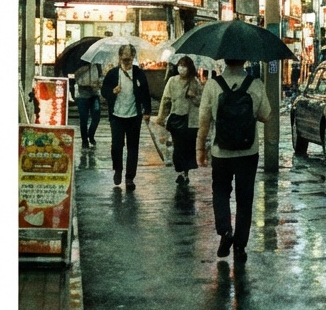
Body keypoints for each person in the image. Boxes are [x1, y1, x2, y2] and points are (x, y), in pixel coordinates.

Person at [196, 58, 273, 264]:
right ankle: (240, 245)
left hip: (221, 152)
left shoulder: (213, 85)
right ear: (244, 59)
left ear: (225, 60)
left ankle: (225, 231)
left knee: (220, 192)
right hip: (248, 152)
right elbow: (266, 116)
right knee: (245, 198)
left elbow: (203, 120)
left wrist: (200, 148)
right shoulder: (255, 84)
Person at [100, 44, 152, 191]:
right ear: (120, 57)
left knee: (132, 148)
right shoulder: (112, 74)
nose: (126, 61)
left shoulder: (139, 74)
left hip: (134, 116)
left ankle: (130, 178)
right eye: (124, 58)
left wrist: (147, 111)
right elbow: (104, 91)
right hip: (116, 115)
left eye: (129, 59)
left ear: (133, 58)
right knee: (116, 146)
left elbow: (145, 93)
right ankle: (118, 169)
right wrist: (112, 91)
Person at [156, 56, 203, 186]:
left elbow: (202, 102)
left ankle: (185, 173)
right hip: (176, 118)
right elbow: (166, 100)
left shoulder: (195, 82)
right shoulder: (172, 81)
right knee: (178, 147)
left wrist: (194, 96)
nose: (181, 68)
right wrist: (161, 117)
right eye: (180, 65)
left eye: (184, 65)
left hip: (191, 121)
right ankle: (180, 171)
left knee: (188, 148)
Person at [73, 59, 101, 149]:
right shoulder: (79, 65)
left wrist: (98, 84)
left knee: (96, 117)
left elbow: (101, 77)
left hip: (95, 95)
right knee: (83, 119)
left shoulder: (97, 65)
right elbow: (76, 77)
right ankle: (84, 141)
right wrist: (84, 69)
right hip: (83, 96)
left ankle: (91, 134)